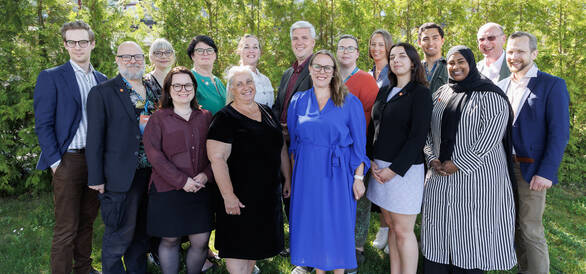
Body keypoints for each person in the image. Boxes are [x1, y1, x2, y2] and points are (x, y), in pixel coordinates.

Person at [421, 45, 517, 273]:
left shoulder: (491, 96)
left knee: (471, 231)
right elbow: (426, 133)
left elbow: (490, 138)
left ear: (471, 63)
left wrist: (459, 163)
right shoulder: (441, 94)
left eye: (461, 62)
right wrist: (432, 158)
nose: (455, 67)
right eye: (452, 63)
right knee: (438, 231)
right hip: (439, 177)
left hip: (477, 181)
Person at [33, 20, 106, 274]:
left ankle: (84, 268)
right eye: (72, 42)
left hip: (96, 162)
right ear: (65, 45)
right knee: (66, 227)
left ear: (92, 43)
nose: (78, 46)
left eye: (83, 41)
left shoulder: (102, 80)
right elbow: (43, 124)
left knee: (87, 221)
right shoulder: (51, 77)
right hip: (68, 161)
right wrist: (55, 163)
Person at [287, 50, 370, 274]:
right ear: (310, 69)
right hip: (307, 174)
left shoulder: (350, 102)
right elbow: (294, 144)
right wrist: (294, 179)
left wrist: (358, 178)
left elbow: (359, 146)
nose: (322, 71)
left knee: (336, 227)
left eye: (327, 67)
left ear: (334, 72)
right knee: (314, 227)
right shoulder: (298, 101)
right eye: (318, 66)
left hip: (338, 173)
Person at [496, 32, 570, 274]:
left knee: (531, 229)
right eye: (510, 52)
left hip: (532, 171)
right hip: (504, 168)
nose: (514, 56)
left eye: (520, 51)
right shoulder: (501, 86)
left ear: (534, 54)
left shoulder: (551, 84)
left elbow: (559, 134)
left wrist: (546, 172)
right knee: (514, 227)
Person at [207, 66, 291, 274]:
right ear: (232, 90)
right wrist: (228, 196)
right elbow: (217, 159)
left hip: (266, 196)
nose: (246, 87)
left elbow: (280, 147)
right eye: (239, 84)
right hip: (239, 196)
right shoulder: (224, 118)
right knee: (238, 248)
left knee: (255, 247)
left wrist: (287, 179)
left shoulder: (267, 111)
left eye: (249, 81)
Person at [87, 41, 158, 273]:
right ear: (117, 60)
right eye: (126, 57)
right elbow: (95, 138)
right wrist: (96, 178)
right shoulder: (103, 92)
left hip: (150, 175)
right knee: (118, 235)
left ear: (143, 59)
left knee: (140, 236)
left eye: (137, 56)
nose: (132, 61)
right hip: (120, 176)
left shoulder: (153, 90)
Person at [366, 42, 432, 274]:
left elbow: (417, 138)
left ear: (413, 62)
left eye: (402, 56)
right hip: (379, 169)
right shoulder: (384, 90)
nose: (395, 60)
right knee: (393, 228)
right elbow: (373, 128)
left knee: (404, 231)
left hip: (403, 171)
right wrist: (371, 161)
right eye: (392, 56)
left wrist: (393, 170)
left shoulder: (421, 93)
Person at [143, 66, 214, 274]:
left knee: (200, 240)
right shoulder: (158, 118)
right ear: (168, 89)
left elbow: (216, 152)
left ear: (194, 88)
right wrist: (182, 181)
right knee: (170, 239)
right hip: (167, 188)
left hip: (201, 188)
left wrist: (206, 175)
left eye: (187, 85)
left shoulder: (205, 116)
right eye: (177, 85)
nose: (183, 89)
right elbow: (154, 155)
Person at [335, 34, 378, 269]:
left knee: (358, 198)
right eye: (341, 48)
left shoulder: (365, 80)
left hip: (358, 148)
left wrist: (365, 152)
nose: (345, 52)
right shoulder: (329, 77)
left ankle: (357, 246)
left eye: (350, 48)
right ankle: (337, 240)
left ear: (358, 53)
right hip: (334, 150)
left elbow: (373, 119)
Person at [366, 28, 394, 253]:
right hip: (367, 134)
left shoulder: (393, 73)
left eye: (380, 44)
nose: (376, 48)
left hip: (386, 135)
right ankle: (381, 228)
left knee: (387, 185)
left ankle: (387, 229)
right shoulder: (366, 73)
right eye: (373, 44)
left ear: (388, 46)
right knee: (373, 185)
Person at [272, 20, 315, 126]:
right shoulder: (287, 73)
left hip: (304, 136)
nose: (299, 42)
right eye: (295, 38)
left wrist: (291, 126)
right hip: (281, 137)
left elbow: (318, 109)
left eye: (304, 38)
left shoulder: (319, 71)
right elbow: (278, 106)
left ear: (313, 42)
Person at [187, 35, 226, 115]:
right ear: (192, 55)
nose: (205, 53)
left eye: (209, 50)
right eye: (200, 50)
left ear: (215, 55)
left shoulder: (218, 81)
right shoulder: (189, 79)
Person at [237, 34, 275, 107]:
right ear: (239, 51)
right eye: (246, 47)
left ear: (260, 52)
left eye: (255, 47)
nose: (251, 50)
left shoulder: (266, 80)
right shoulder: (236, 78)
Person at [417, 22, 448, 93]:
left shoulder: (450, 67)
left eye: (435, 38)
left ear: (442, 41)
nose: (430, 43)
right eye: (425, 39)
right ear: (419, 43)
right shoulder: (414, 69)